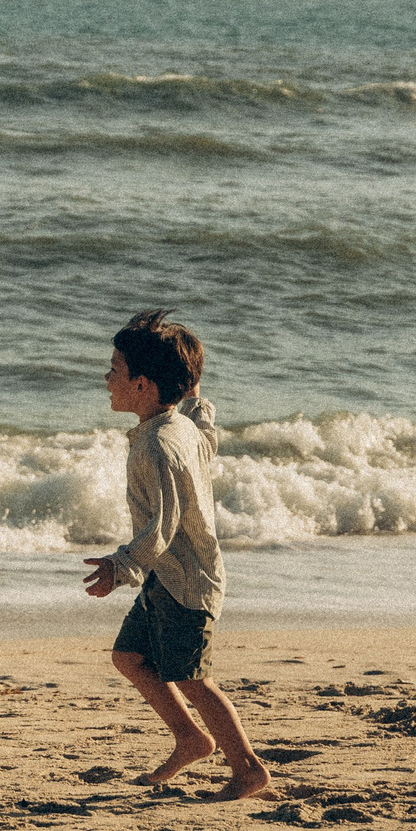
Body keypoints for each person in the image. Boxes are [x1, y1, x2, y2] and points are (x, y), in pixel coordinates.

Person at [81, 310, 276, 801]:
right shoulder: (177, 426)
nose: (106, 379)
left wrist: (120, 565)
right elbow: (206, 440)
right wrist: (197, 401)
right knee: (129, 656)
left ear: (143, 385)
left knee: (192, 679)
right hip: (169, 577)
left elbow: (163, 525)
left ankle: (249, 768)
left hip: (186, 581)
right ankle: (191, 738)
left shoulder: (158, 447)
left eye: (115, 370)